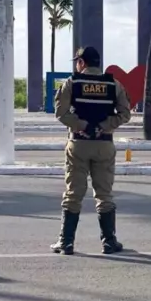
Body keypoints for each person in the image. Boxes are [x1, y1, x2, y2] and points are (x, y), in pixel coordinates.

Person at [52, 46, 132, 255]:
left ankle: (66, 242)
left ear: (81, 63)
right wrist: (103, 126)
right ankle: (109, 242)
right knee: (104, 195)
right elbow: (125, 114)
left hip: (78, 143)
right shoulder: (114, 84)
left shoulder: (72, 82)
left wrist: (82, 126)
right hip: (104, 144)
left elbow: (60, 113)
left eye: (77, 62)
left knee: (73, 193)